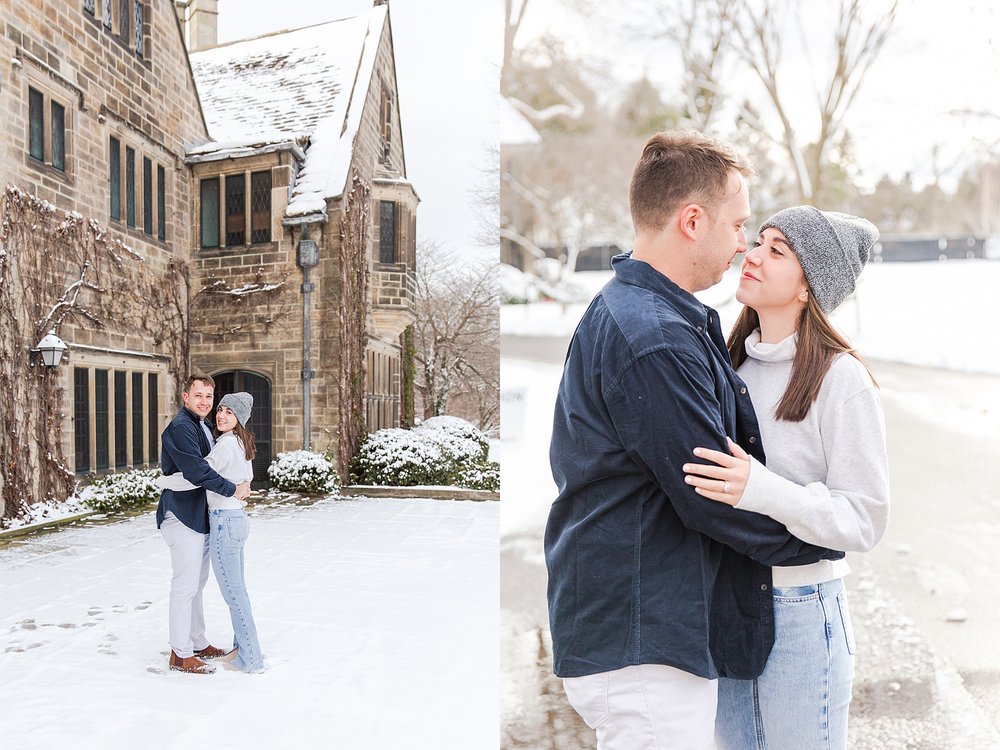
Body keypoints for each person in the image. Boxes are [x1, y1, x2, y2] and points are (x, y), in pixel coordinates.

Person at [545, 130, 840, 749]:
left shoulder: (643, 314)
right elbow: (707, 489)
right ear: (692, 219)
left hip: (636, 630)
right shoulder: (652, 336)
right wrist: (813, 545)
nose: (742, 243)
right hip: (643, 642)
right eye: (738, 225)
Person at [682, 206, 890, 749]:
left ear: (807, 287)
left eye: (778, 251)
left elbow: (864, 519)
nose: (753, 254)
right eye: (760, 241)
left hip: (802, 613)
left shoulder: (839, 379)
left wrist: (763, 489)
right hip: (728, 606)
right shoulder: (728, 365)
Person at [158, 391, 265, 674]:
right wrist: (237, 489)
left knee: (233, 593)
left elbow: (199, 476)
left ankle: (251, 657)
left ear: (239, 418)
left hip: (225, 520)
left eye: (229, 412)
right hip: (236, 519)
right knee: (235, 590)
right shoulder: (240, 442)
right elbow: (233, 480)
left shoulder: (226, 444)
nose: (220, 414)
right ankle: (243, 651)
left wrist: (165, 480)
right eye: (221, 409)